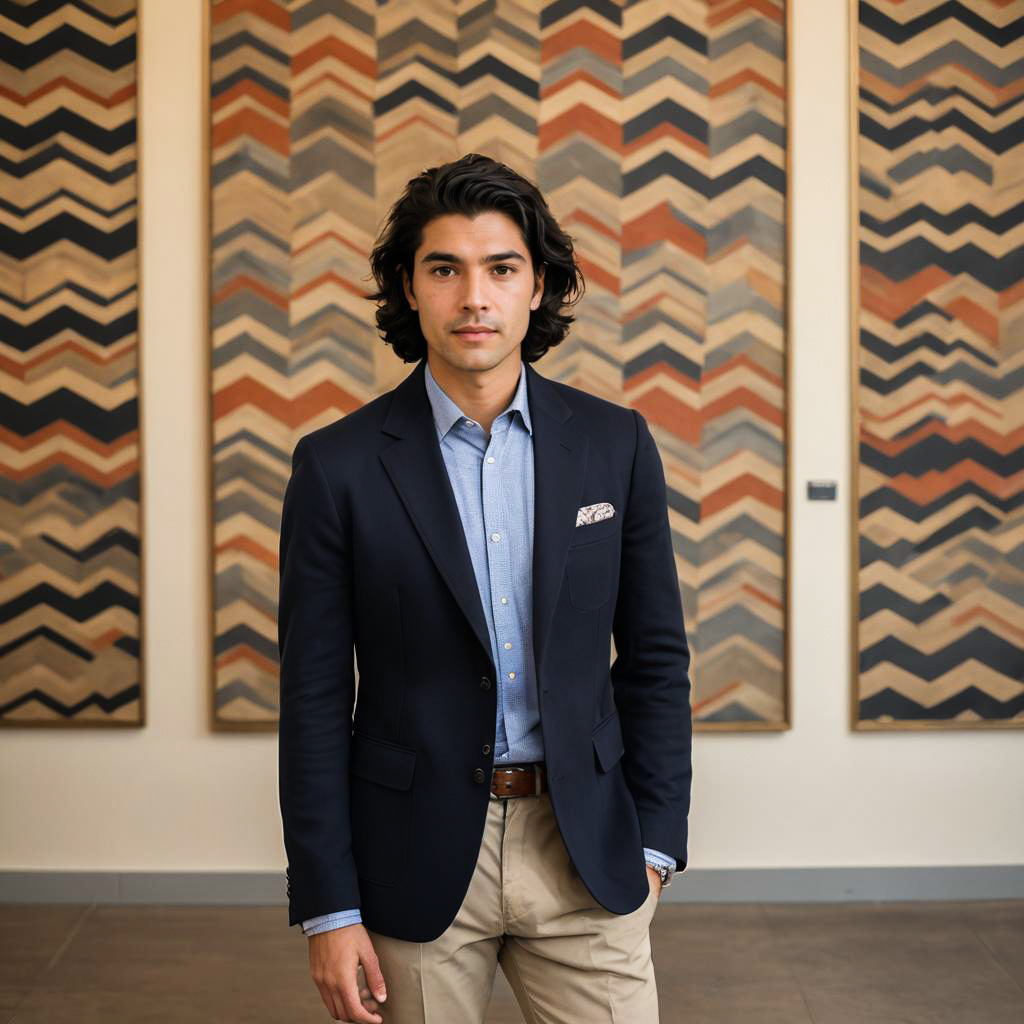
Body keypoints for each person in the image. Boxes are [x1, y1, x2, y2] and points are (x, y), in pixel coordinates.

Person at [278, 153, 693, 1024]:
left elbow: (654, 658)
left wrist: (656, 843)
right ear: (410, 287)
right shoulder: (337, 466)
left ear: (537, 287)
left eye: (501, 269)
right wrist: (330, 907)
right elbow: (313, 698)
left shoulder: (616, 445)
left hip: (585, 849)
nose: (475, 296)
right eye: (445, 269)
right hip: (413, 859)